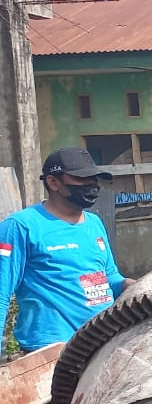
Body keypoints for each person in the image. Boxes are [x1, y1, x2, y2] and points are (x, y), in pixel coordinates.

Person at [1, 147, 134, 356]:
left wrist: (130, 285)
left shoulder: (94, 223)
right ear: (53, 182)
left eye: (94, 179)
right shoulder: (21, 226)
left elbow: (109, 276)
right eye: (82, 179)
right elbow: (2, 292)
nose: (92, 186)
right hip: (52, 352)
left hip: (102, 343)